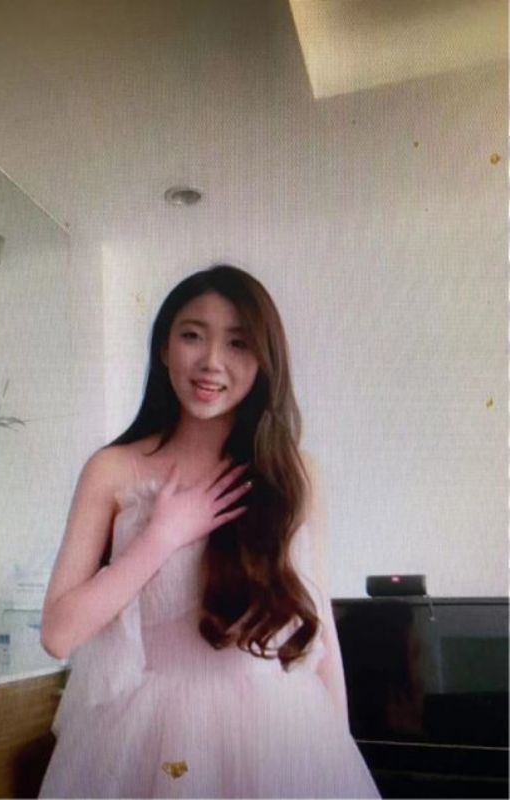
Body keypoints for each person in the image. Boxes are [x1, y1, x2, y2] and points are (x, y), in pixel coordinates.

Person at [38, 265, 380, 798]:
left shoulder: (295, 474)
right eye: (192, 336)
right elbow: (58, 634)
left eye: (238, 343)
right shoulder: (113, 470)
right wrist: (161, 537)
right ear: (163, 348)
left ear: (263, 361)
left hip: (285, 732)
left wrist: (339, 751)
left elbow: (321, 638)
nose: (212, 361)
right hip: (150, 739)